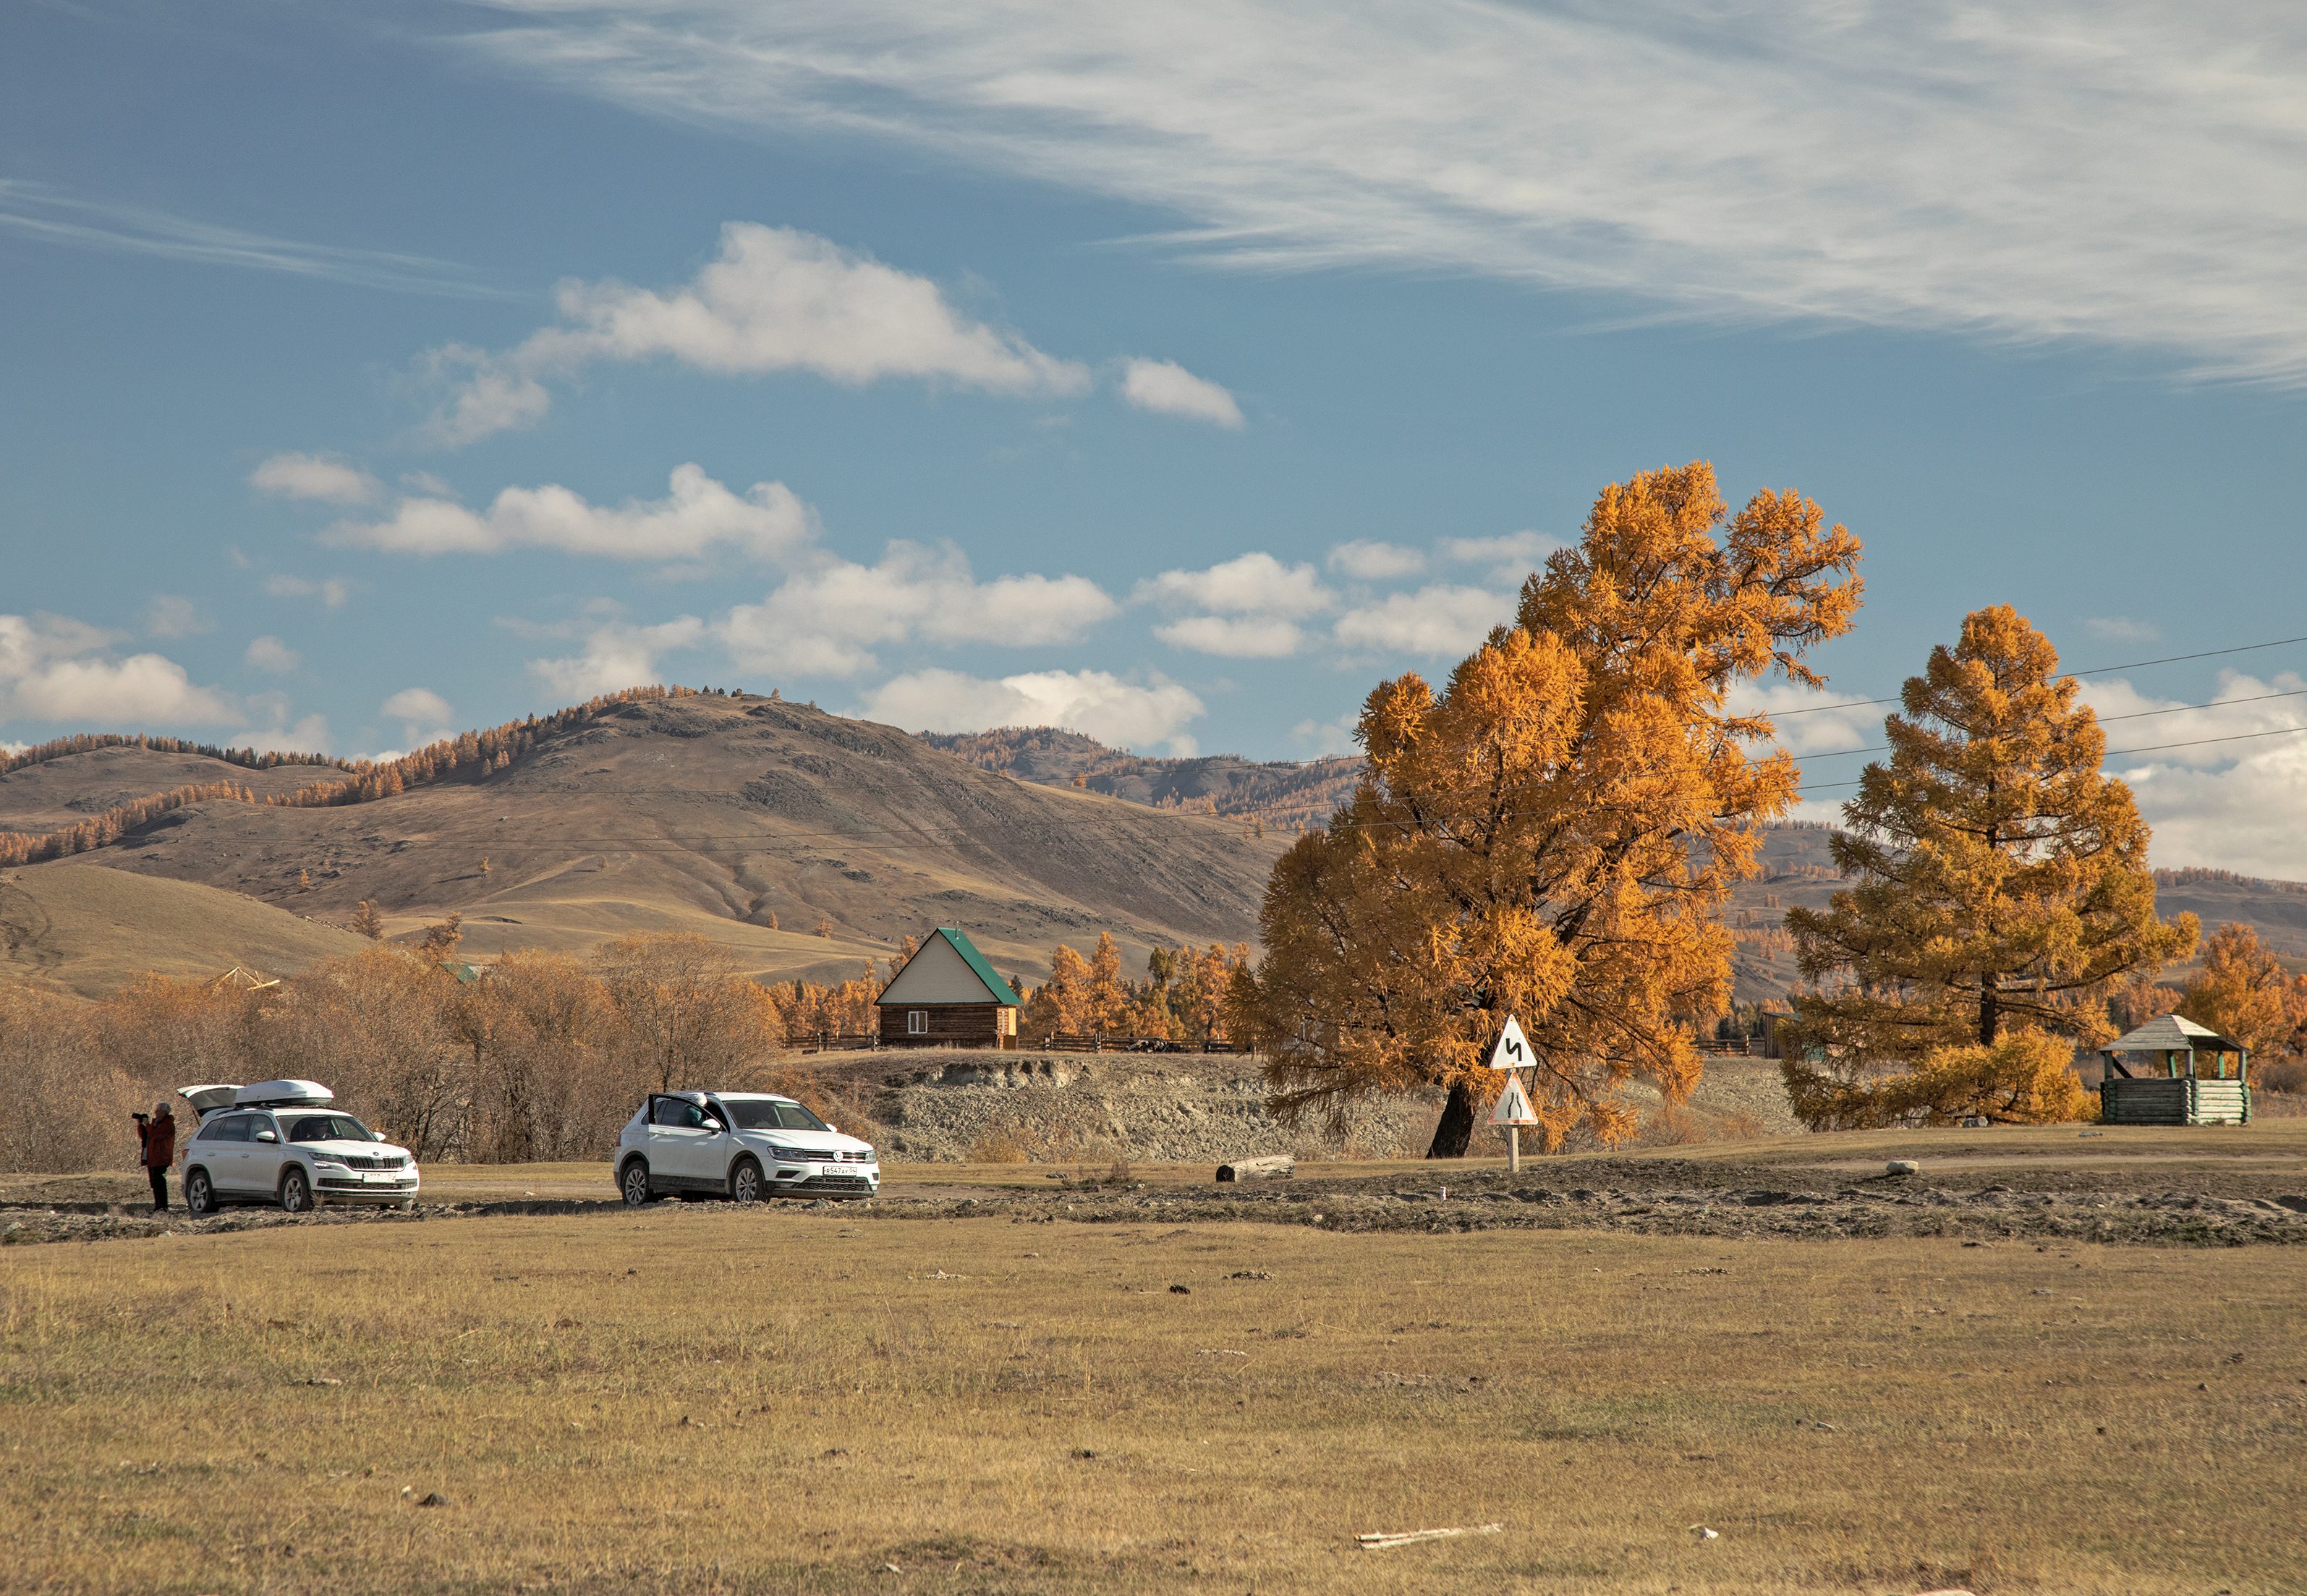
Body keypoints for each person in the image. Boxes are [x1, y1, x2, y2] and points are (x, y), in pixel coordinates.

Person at [136, 1100, 177, 1213]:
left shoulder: (168, 1124)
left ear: (164, 1112)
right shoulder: (156, 1124)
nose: (155, 1112)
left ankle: (162, 1207)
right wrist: (141, 1125)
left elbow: (156, 1135)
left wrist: (148, 1125)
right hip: (153, 1158)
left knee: (159, 1184)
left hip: (161, 1157)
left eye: (158, 1110)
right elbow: (146, 1137)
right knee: (154, 1183)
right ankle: (158, 1207)